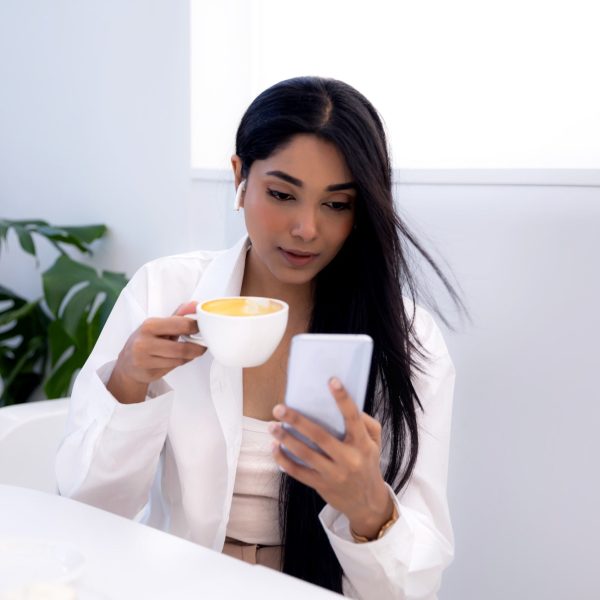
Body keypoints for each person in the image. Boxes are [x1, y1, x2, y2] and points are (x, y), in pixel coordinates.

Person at [56, 76, 460, 599]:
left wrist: (367, 506)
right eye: (281, 194)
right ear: (239, 177)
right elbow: (87, 508)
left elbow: (413, 587)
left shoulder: (405, 338)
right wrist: (129, 381)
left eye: (336, 204)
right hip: (175, 584)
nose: (306, 228)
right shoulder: (167, 290)